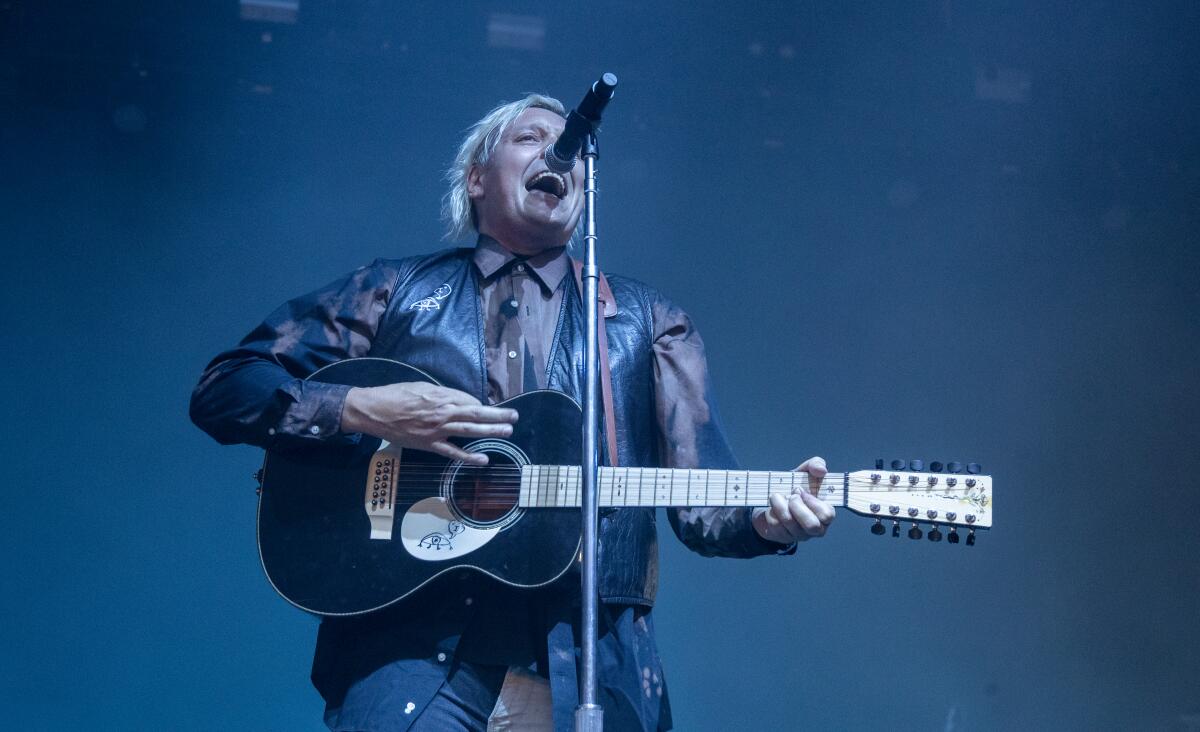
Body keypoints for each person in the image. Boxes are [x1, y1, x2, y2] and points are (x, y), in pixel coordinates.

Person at [190, 93, 835, 732]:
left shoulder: (646, 322)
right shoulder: (395, 292)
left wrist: (771, 524)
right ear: (475, 178)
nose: (559, 153)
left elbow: (707, 506)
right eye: (529, 138)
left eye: (573, 148)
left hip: (585, 660)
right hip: (414, 650)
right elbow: (227, 387)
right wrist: (362, 408)